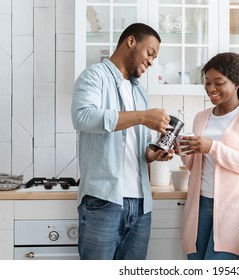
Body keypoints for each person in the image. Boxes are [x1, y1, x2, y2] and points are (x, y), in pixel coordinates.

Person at [71, 23, 174, 260]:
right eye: (150, 53)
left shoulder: (139, 92)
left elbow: (141, 149)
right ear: (131, 42)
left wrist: (155, 153)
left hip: (140, 205)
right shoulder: (94, 75)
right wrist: (142, 116)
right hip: (104, 201)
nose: (151, 62)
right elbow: (82, 116)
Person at [177, 52, 239, 260]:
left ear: (236, 83)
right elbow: (196, 166)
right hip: (199, 205)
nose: (211, 89)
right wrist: (183, 150)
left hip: (232, 208)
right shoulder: (201, 117)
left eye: (218, 83)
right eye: (207, 83)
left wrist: (212, 147)